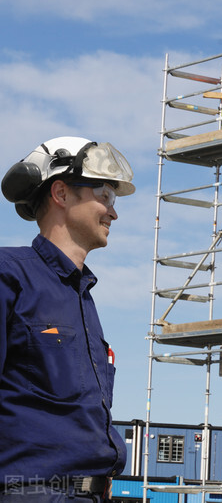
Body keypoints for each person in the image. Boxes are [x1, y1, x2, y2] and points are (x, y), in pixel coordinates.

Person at [0, 136, 135, 502]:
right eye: (104, 196)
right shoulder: (9, 274)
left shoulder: (82, 296)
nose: (113, 213)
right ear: (60, 193)